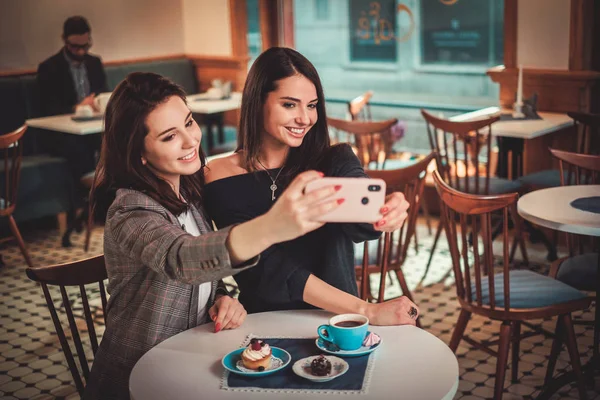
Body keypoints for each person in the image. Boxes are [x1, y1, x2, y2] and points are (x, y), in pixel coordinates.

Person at [84, 72, 344, 399]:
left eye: (189, 123)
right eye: (169, 137)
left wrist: (222, 296)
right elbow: (182, 258)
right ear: (139, 153)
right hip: (137, 375)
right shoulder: (130, 212)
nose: (192, 140)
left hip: (190, 359)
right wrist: (270, 227)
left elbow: (205, 267)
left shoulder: (188, 196)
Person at [203, 47, 419, 325]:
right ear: (257, 102)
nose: (305, 118)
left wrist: (386, 209)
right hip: (264, 324)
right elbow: (266, 270)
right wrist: (368, 310)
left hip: (339, 321)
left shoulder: (334, 159)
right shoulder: (219, 177)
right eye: (290, 105)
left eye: (312, 105)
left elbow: (361, 226)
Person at [37, 16, 107, 233]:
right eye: (75, 47)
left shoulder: (94, 63)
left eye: (85, 46)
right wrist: (78, 106)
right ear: (65, 41)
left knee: (113, 141)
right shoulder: (49, 68)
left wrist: (97, 103)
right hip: (62, 132)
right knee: (78, 148)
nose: (80, 51)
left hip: (92, 127)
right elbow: (48, 109)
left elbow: (103, 92)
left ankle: (103, 201)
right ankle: (89, 201)